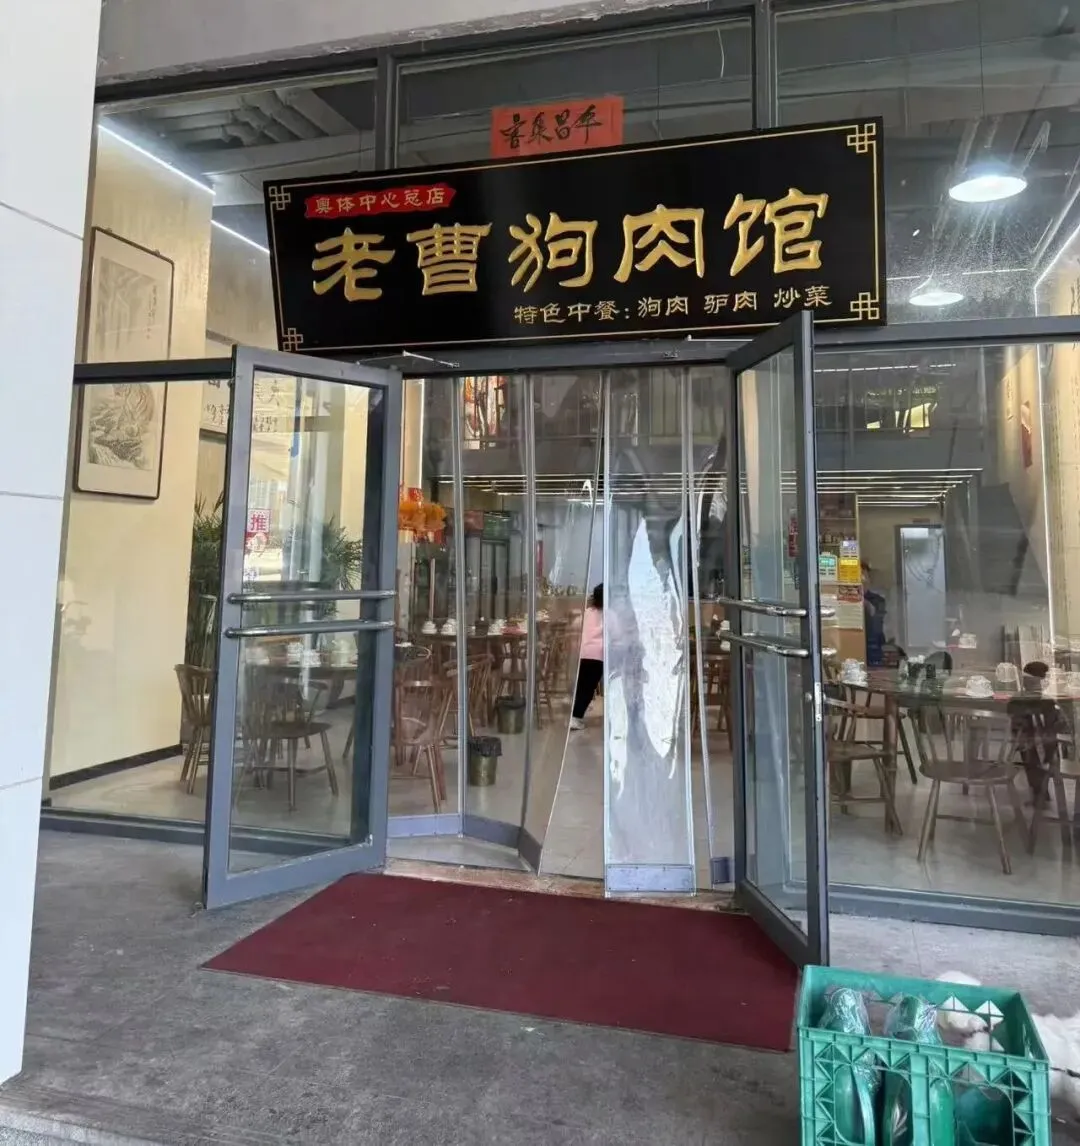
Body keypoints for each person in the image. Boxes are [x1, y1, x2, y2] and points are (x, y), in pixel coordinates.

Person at [570, 584, 603, 730]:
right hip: (598, 656)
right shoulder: (609, 615)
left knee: (580, 684)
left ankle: (575, 710)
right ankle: (576, 716)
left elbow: (575, 625)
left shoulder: (588, 612)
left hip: (582, 653)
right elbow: (616, 633)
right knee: (588, 688)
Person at [861, 560, 887, 668]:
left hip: (873, 654)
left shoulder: (878, 601)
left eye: (864, 576)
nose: (862, 580)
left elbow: (877, 627)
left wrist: (865, 603)